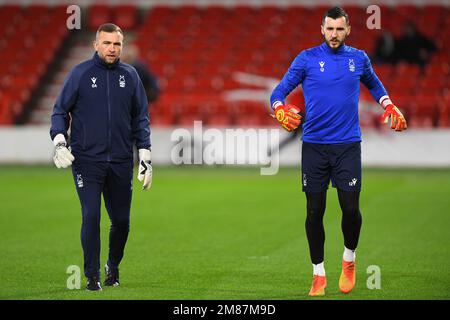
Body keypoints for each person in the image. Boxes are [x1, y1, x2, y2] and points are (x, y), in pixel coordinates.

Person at [270, 7, 407, 296]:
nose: (334, 34)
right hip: (315, 147)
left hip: (347, 146)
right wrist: (279, 108)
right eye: (330, 29)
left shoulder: (358, 59)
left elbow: (374, 83)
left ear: (348, 30)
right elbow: (278, 92)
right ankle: (318, 274)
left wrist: (389, 104)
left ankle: (349, 259)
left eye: (339, 29)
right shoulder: (306, 59)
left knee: (350, 209)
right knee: (314, 211)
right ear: (322, 29)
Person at [50, 23, 153, 291]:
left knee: (121, 221)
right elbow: (60, 111)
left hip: (120, 160)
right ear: (96, 45)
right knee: (91, 215)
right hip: (87, 160)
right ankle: (92, 275)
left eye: (117, 44)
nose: (112, 48)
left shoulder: (131, 76)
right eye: (106, 43)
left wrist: (145, 154)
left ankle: (113, 267)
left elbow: (140, 118)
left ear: (122, 47)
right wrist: (60, 141)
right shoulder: (80, 74)